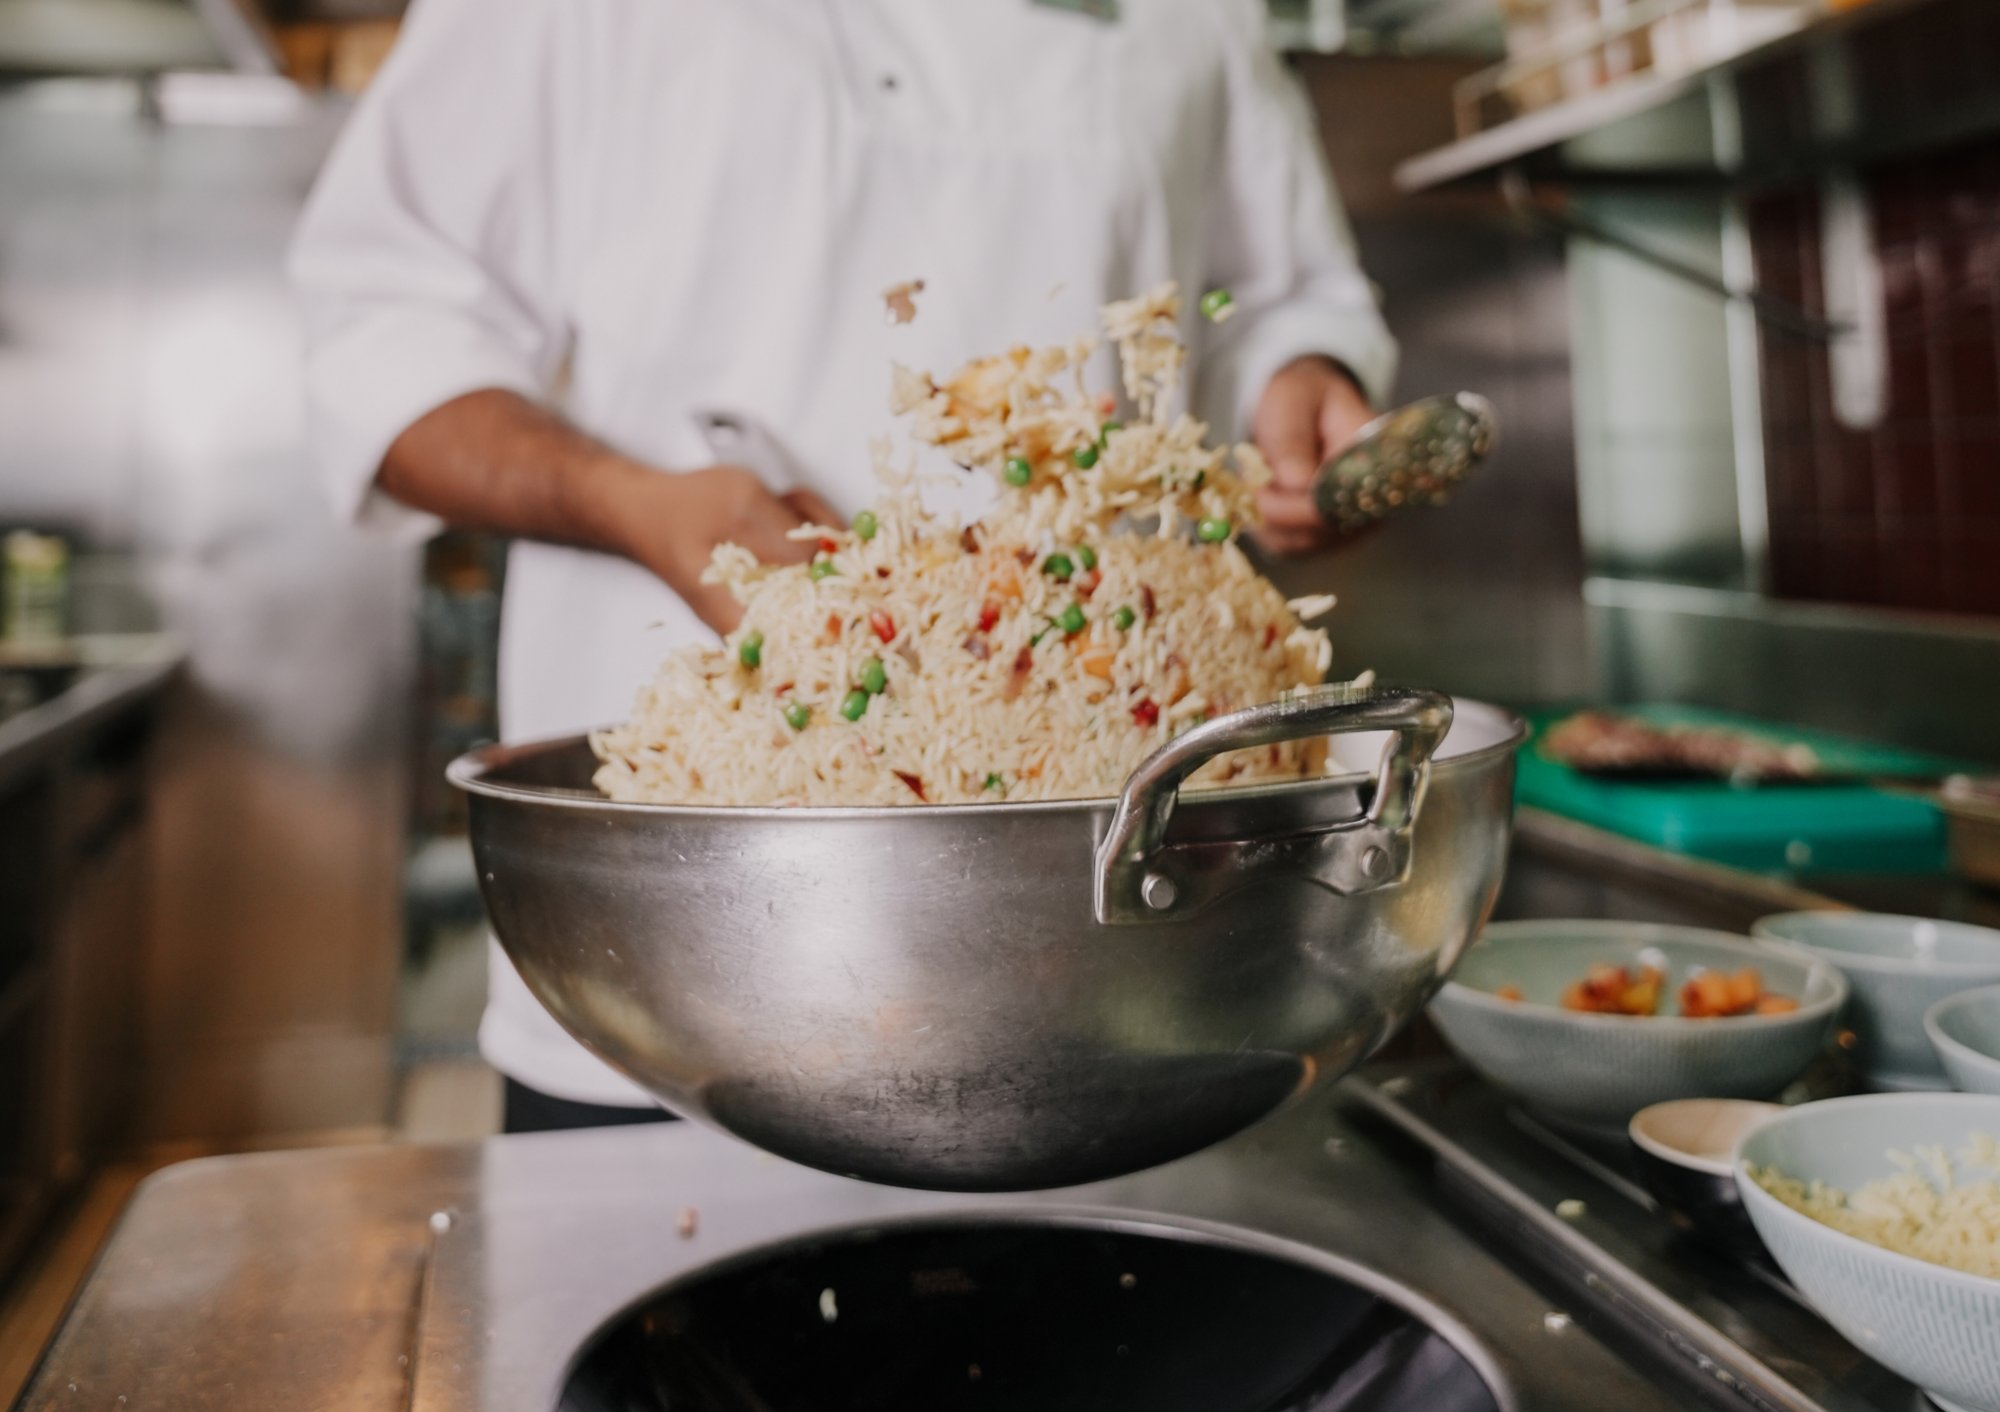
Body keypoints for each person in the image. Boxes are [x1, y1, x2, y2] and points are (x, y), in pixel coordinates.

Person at [290, 0, 1397, 1134]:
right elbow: (380, 328)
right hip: (674, 960)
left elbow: (1273, 295)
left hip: (1134, 953)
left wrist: (1296, 389)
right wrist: (637, 507)